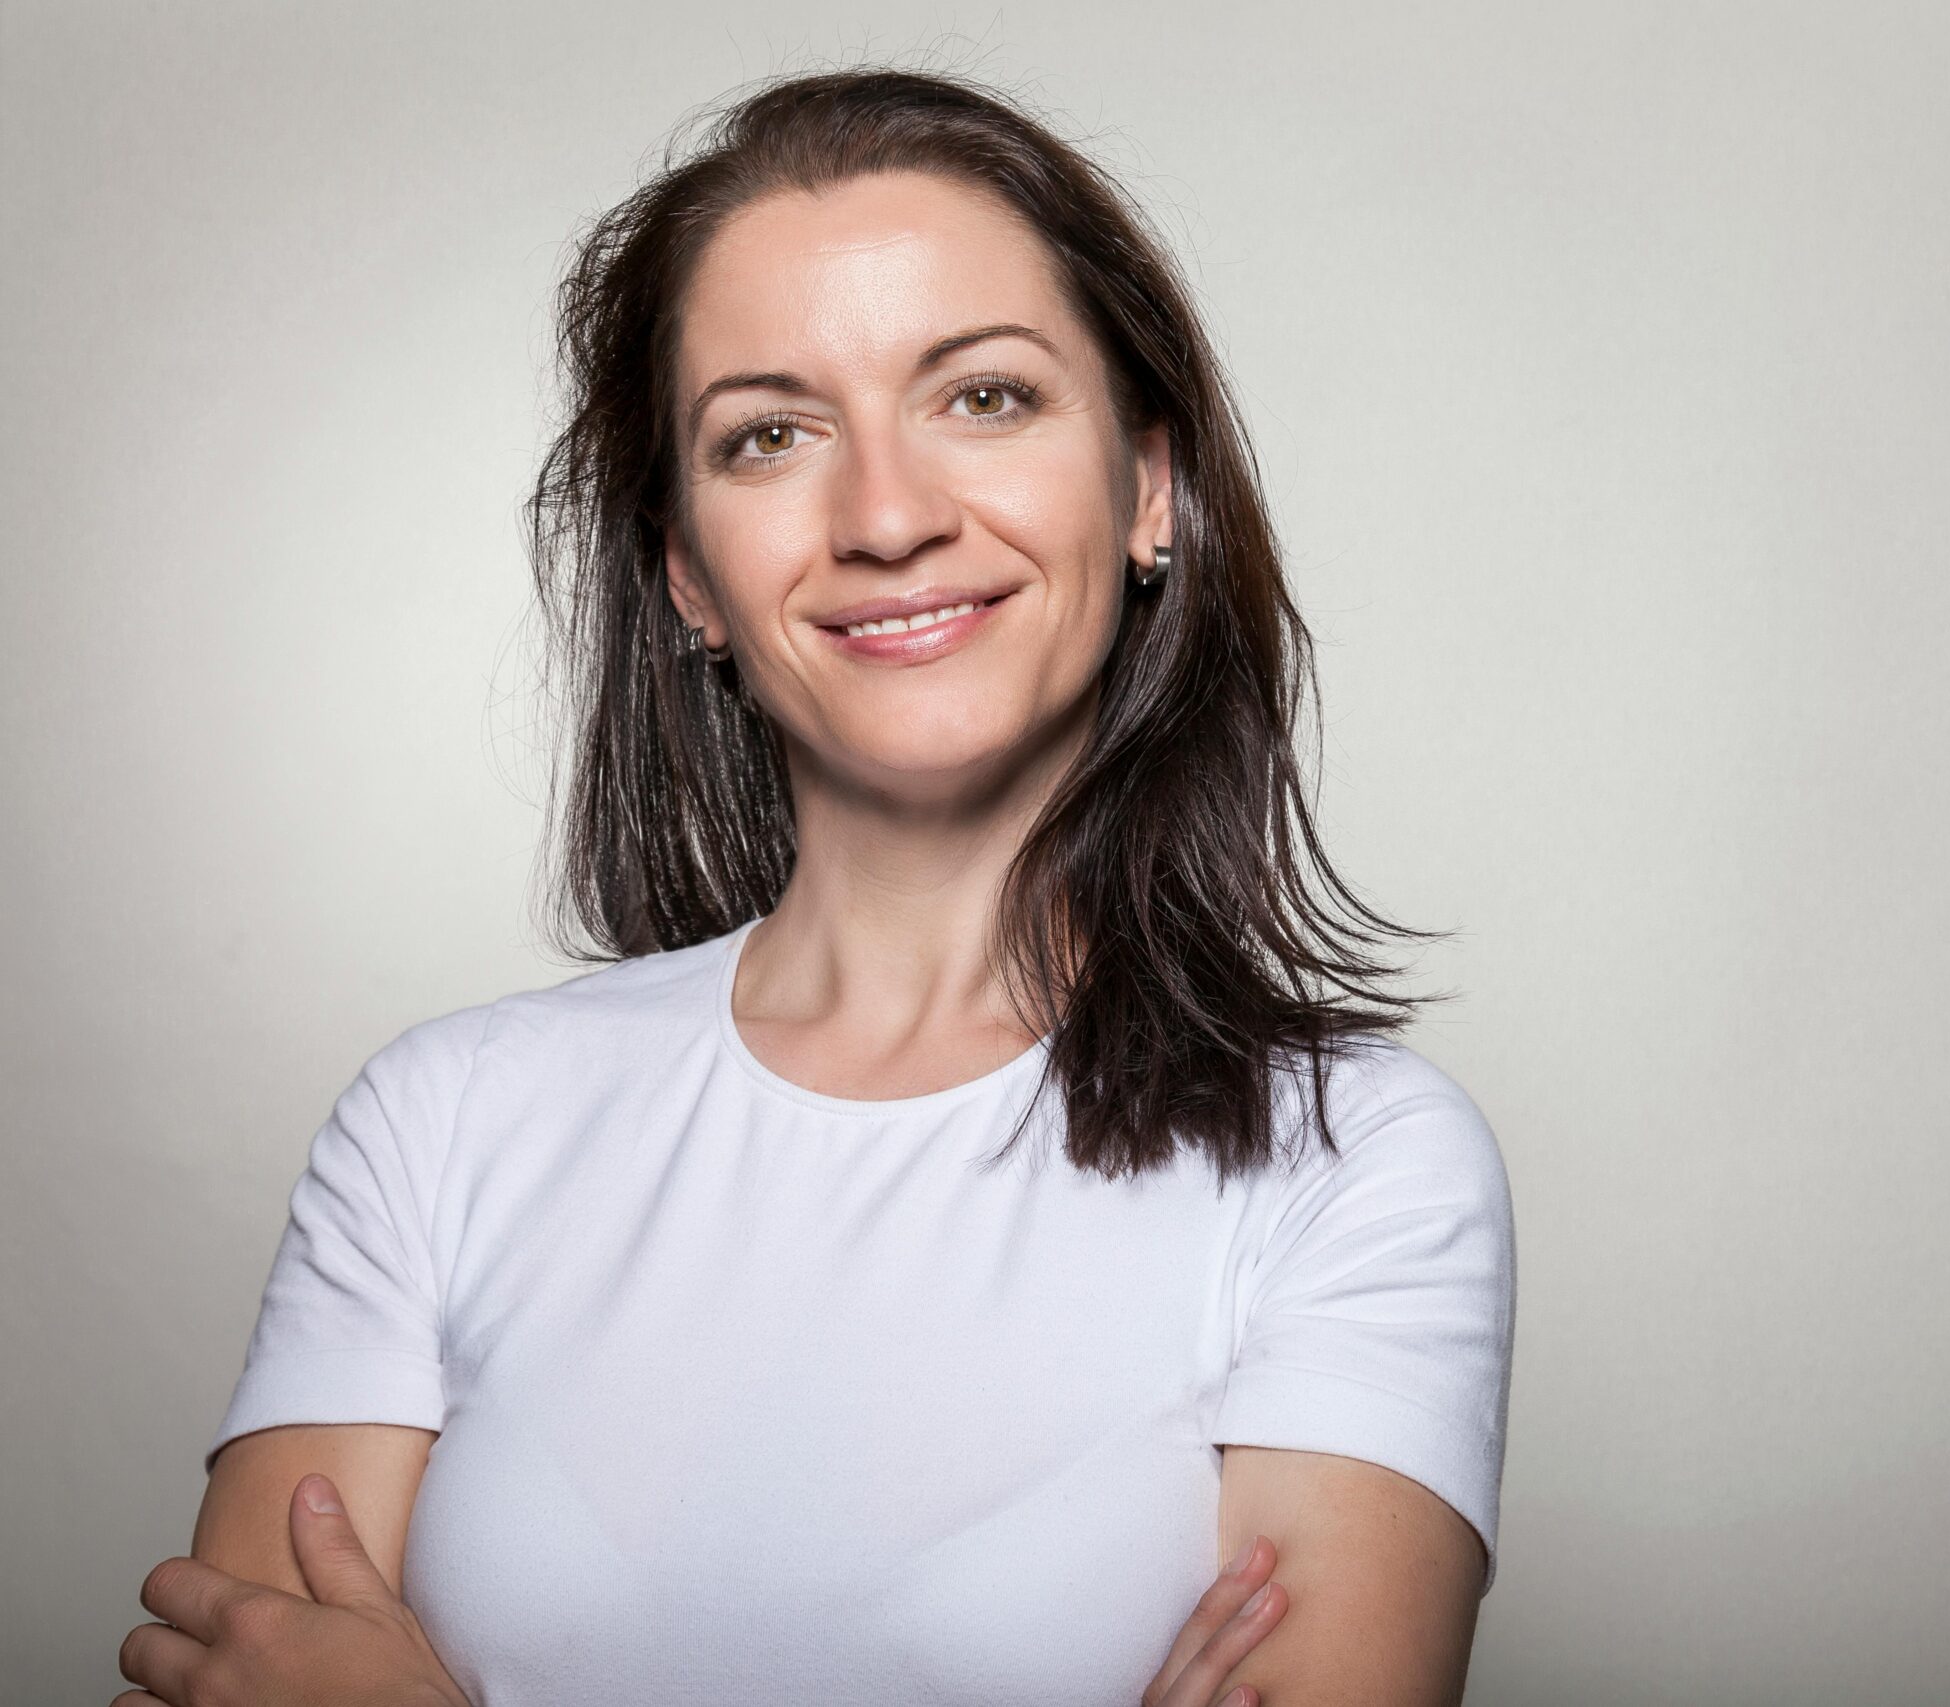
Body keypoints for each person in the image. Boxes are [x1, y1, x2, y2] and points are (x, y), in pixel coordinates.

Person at [119, 66, 1516, 1707]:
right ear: (688, 571)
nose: (888, 515)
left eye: (983, 397)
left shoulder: (1353, 1168)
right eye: (771, 435)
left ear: (1147, 488)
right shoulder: (441, 1128)